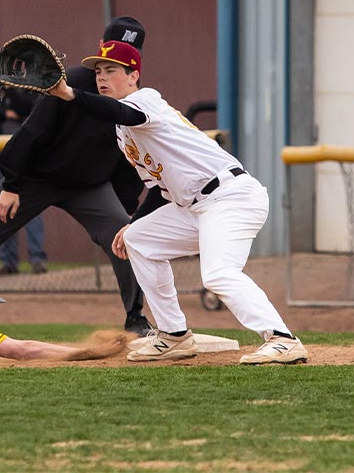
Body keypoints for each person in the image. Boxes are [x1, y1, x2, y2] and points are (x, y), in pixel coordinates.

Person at [47, 40, 309, 365]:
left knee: (218, 274)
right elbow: (159, 188)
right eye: (98, 71)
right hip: (195, 206)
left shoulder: (145, 100)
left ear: (133, 75)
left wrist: (69, 94)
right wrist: (132, 224)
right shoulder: (123, 130)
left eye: (111, 70)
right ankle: (173, 336)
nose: (102, 77)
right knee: (138, 240)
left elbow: (118, 110)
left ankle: (282, 339)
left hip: (231, 197)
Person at [0, 17, 152, 336]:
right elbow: (31, 133)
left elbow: (129, 158)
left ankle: (135, 318)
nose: (117, 57)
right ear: (101, 49)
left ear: (135, 63)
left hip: (89, 187)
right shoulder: (72, 82)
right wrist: (12, 184)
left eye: (128, 50)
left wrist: (124, 207)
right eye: (112, 50)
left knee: (126, 240)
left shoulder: (135, 100)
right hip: (35, 179)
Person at [0, 80, 47, 275]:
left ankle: (37, 258)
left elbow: (27, 111)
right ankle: (8, 261)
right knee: (0, 208)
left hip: (19, 154)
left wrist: (11, 91)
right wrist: (5, 113)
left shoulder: (27, 90)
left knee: (30, 206)